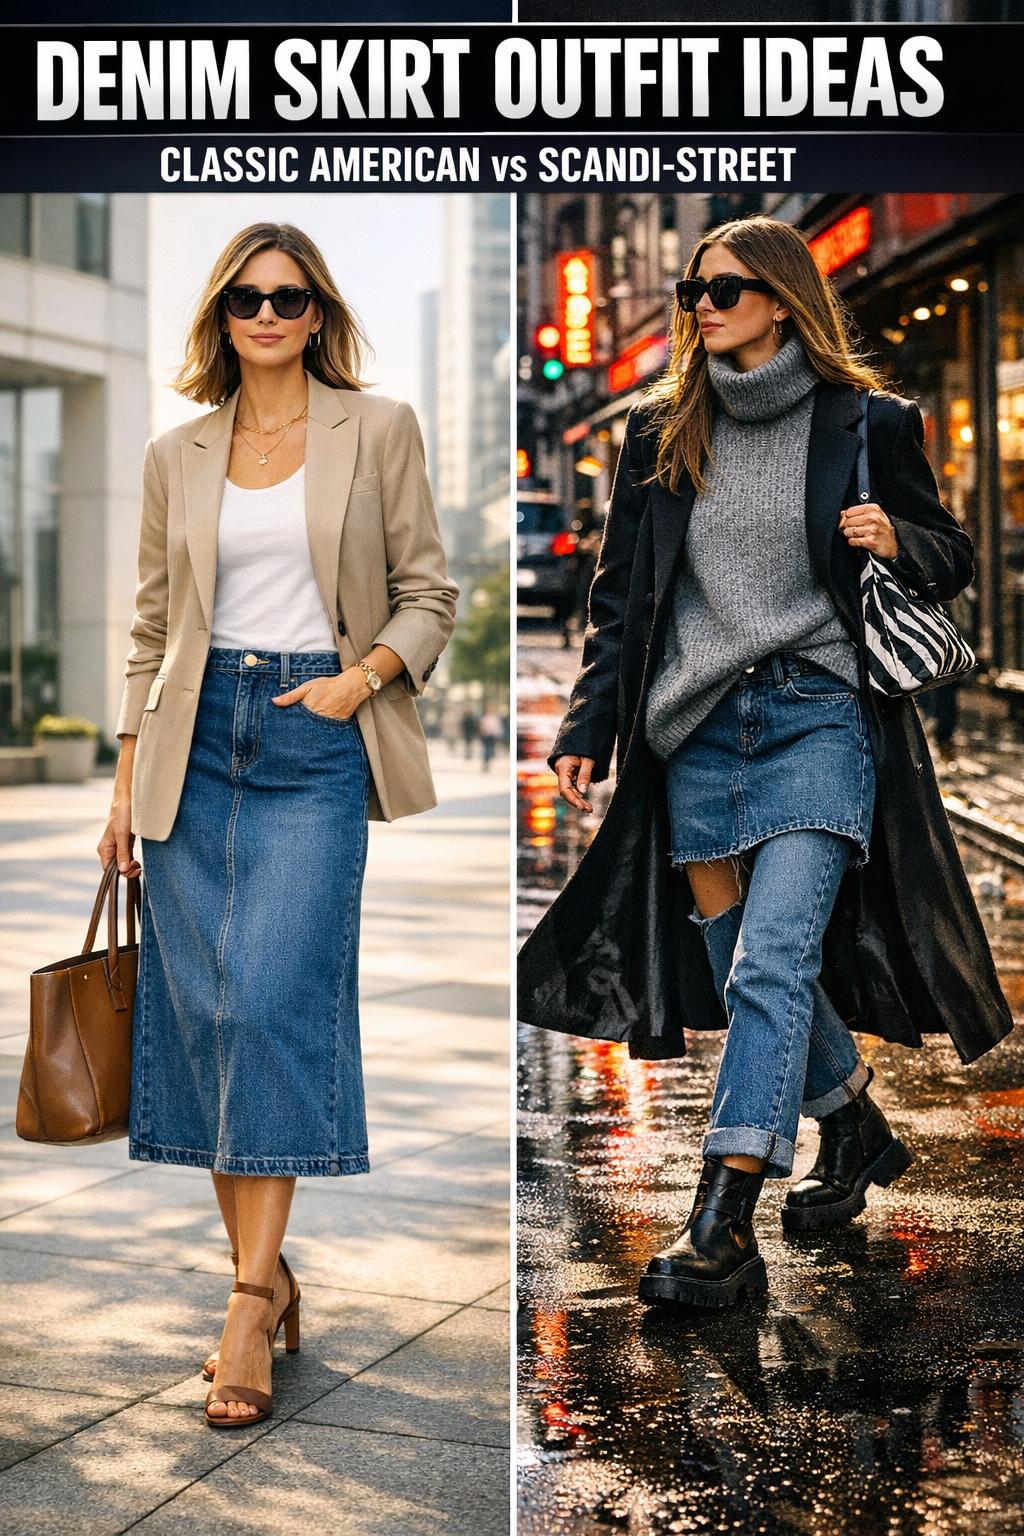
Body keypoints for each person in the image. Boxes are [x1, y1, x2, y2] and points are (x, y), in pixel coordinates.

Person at [517, 214, 1012, 1309]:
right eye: (693, 289)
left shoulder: (868, 422)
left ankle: (724, 1220)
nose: (702, 304)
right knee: (748, 959)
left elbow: (952, 554)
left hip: (818, 718)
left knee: (769, 962)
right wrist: (589, 728)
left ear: (783, 300)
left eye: (725, 288)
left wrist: (895, 538)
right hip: (694, 731)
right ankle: (855, 1121)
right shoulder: (661, 429)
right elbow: (622, 599)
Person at [99, 222, 458, 1422]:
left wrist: (360, 682)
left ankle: (249, 1307)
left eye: (288, 298)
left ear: (317, 315)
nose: (266, 314)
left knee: (266, 1005)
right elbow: (153, 630)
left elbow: (429, 594)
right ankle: (259, 1279)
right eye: (246, 299)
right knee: (207, 1020)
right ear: (221, 317)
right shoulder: (177, 452)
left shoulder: (378, 429)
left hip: (314, 735)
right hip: (191, 742)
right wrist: (123, 786)